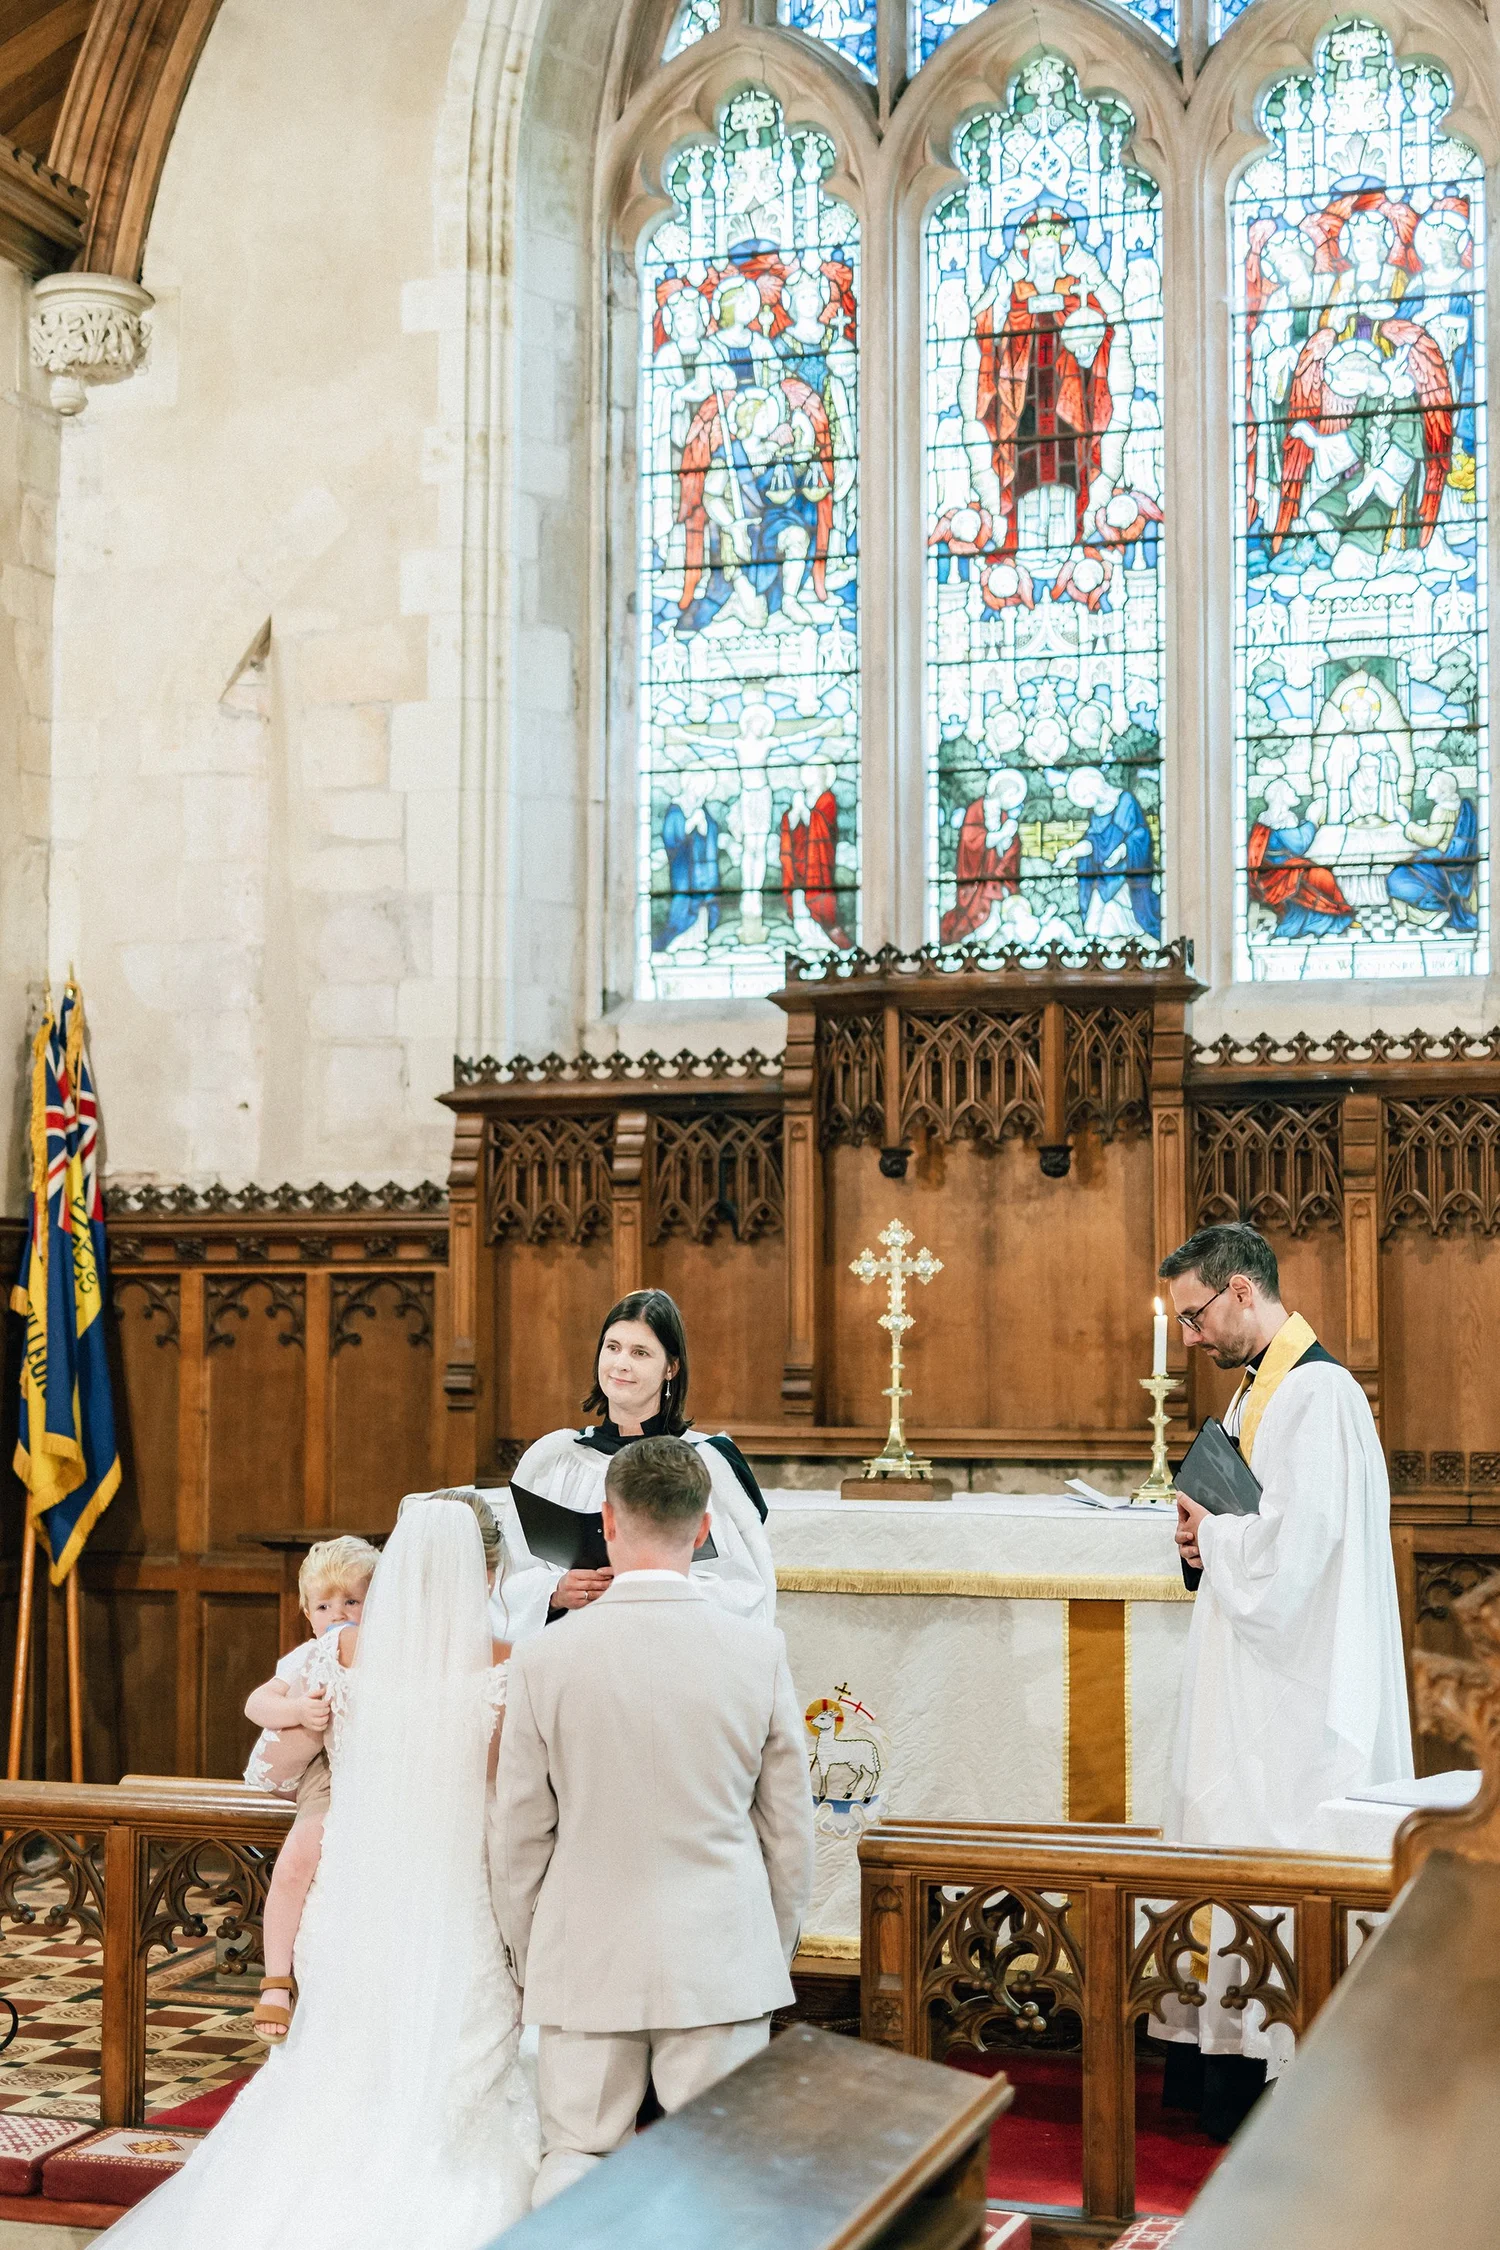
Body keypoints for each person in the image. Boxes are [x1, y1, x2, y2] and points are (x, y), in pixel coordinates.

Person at [109, 1491, 538, 2248]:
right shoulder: (508, 1665)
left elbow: (277, 1743)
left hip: (353, 1890)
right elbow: (509, 1805)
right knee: (449, 2064)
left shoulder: (337, 1655)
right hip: (456, 1895)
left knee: (341, 2062)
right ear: (492, 1573)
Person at [495, 1434, 814, 2206]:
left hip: (584, 1948)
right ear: (703, 1530)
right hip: (719, 1951)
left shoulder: (544, 1658)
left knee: (576, 2154)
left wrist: (534, 1951)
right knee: (719, 2167)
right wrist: (765, 1948)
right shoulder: (757, 1652)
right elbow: (788, 1832)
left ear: (607, 1522)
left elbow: (519, 1834)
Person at [1155, 1222, 1412, 2138]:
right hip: (1253, 1676)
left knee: (1279, 1843)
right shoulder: (1257, 1391)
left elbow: (1300, 1552)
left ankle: (1283, 2080)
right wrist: (1197, 1535)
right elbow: (1249, 1525)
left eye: (1194, 1317)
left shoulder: (1320, 1394)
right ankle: (1225, 2063)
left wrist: (1216, 1536)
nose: (1189, 1338)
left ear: (1240, 1290)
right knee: (1226, 1831)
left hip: (1302, 1685)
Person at [502, 1288, 777, 1640]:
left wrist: (652, 1585)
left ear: (671, 1368)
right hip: (573, 1652)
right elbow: (510, 1575)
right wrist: (554, 1592)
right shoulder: (553, 1461)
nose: (621, 1363)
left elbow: (746, 1592)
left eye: (640, 1352)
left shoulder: (707, 1464)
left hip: (672, 1652)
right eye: (612, 1347)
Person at [242, 1534, 380, 2039]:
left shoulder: (389, 1650)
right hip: (328, 1773)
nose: (337, 1614)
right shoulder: (308, 1655)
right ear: (307, 1613)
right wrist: (298, 1710)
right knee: (298, 1857)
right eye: (324, 1606)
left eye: (352, 1602)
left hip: (382, 1770)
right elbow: (256, 1705)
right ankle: (276, 1981)